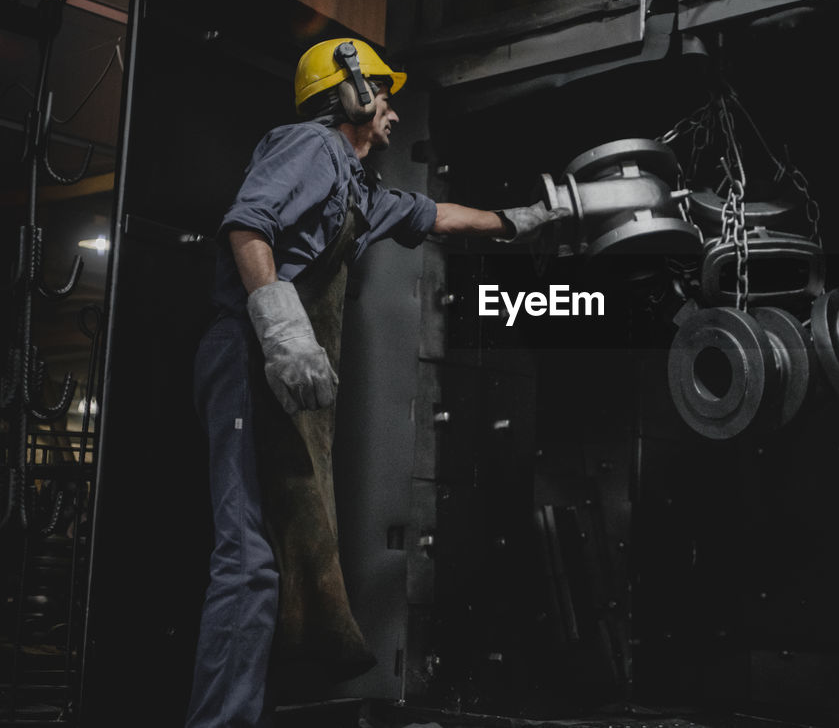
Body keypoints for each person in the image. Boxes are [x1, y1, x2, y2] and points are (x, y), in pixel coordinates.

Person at [186, 37, 564, 728]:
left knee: (281, 561)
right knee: (248, 559)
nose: (390, 108)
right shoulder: (311, 147)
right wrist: (280, 326)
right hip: (247, 357)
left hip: (279, 370)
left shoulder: (362, 189)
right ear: (351, 92)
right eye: (382, 93)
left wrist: (521, 221)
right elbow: (247, 226)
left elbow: (436, 216)